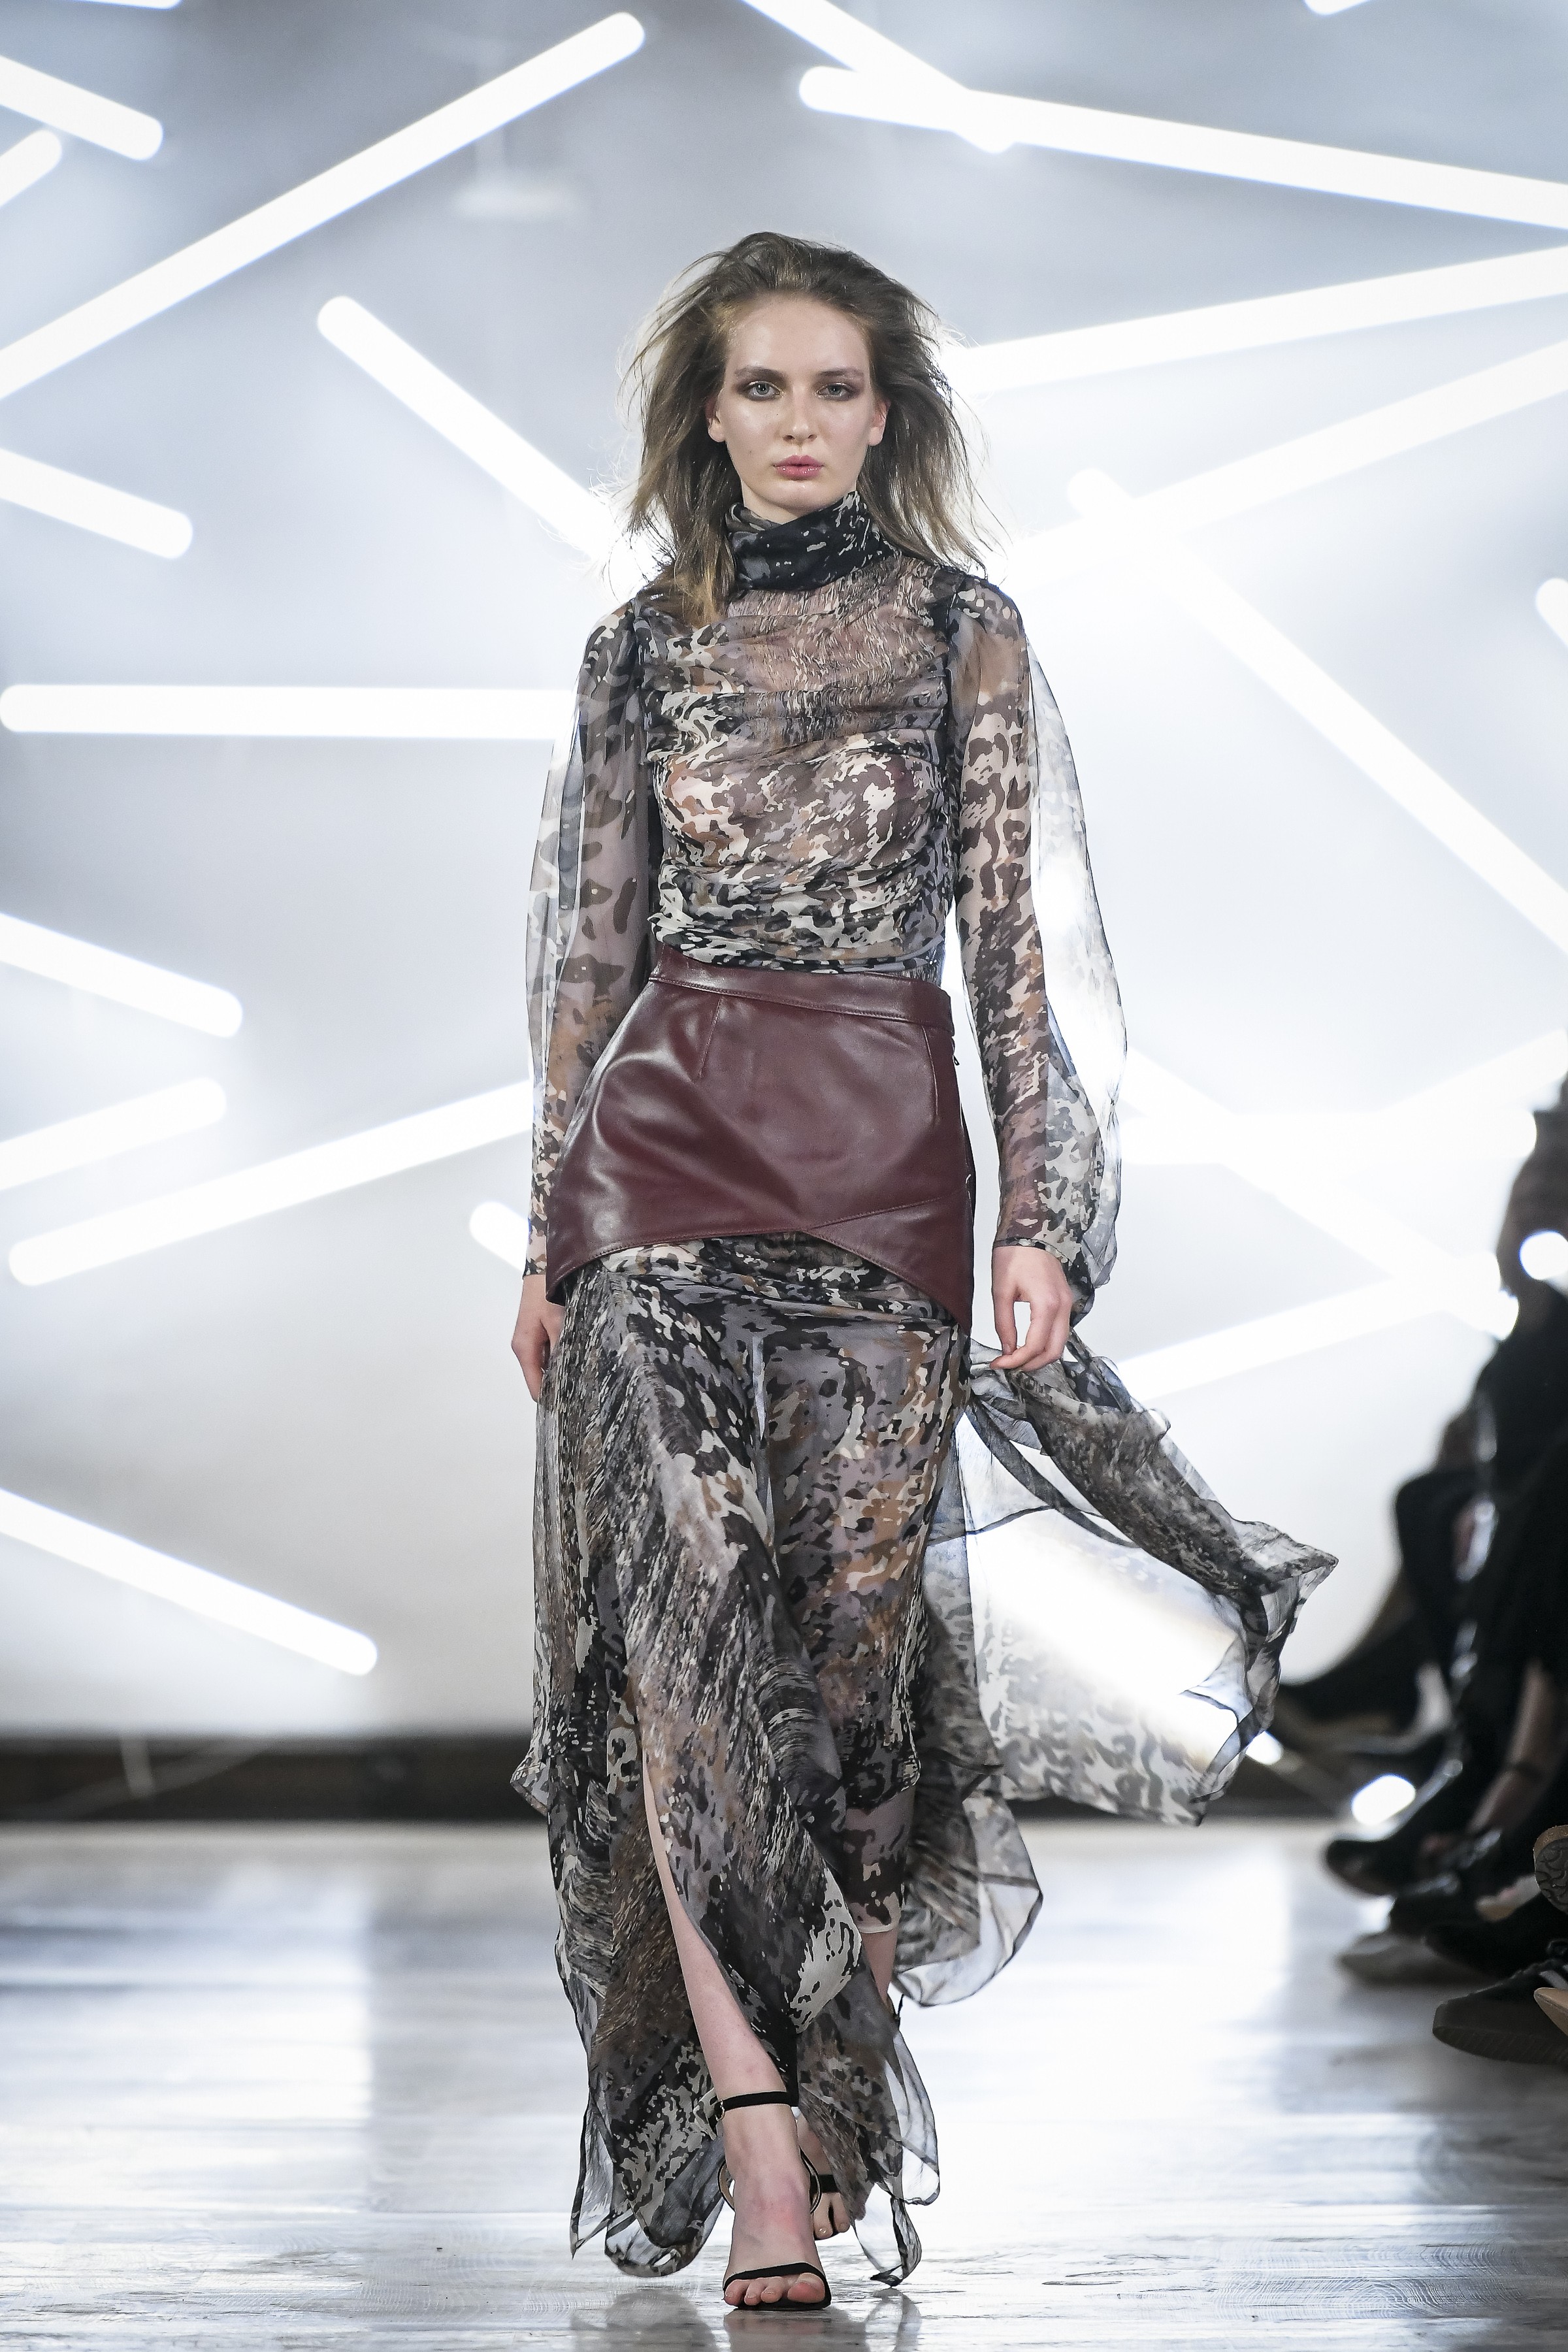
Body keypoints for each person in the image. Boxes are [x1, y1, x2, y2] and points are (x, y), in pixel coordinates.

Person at [510, 231, 1331, 2311]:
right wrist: (545, 1230)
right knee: (692, 1654)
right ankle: (763, 2158)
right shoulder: (639, 649)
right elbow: (590, 956)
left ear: (888, 417)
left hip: (881, 1174)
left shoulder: (966, 631)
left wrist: (1037, 1213)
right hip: (657, 1172)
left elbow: (1015, 938)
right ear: (707, 414)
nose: (798, 422)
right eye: (761, 386)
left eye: (836, 388)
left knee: (850, 1691)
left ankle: (838, 2075)